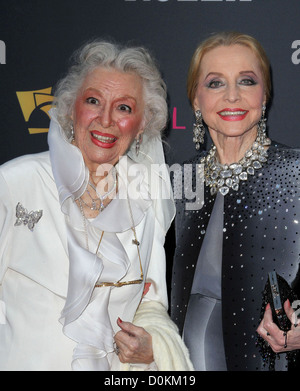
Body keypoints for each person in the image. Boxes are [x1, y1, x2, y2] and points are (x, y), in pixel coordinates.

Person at [0, 40, 193, 371]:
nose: (105, 120)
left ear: (142, 124)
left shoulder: (145, 200)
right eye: (93, 101)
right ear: (70, 107)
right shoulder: (16, 181)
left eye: (124, 108)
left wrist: (154, 346)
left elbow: (151, 302)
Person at [171, 31, 300, 371]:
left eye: (246, 81)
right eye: (215, 83)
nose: (232, 96)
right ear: (195, 100)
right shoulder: (180, 179)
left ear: (265, 93)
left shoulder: (296, 172)